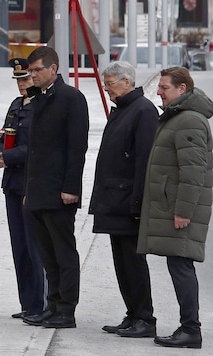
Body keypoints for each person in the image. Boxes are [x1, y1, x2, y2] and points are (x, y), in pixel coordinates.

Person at [138, 67, 213, 349]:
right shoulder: (177, 117)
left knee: (182, 266)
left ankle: (191, 329)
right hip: (173, 205)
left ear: (182, 89)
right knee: (178, 264)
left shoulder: (189, 121)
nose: (159, 91)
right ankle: (188, 327)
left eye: (164, 87)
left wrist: (183, 210)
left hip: (180, 209)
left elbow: (194, 172)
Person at [21, 46, 89, 329]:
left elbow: (77, 147)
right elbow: (35, 150)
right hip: (37, 190)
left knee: (63, 252)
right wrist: (28, 190)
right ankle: (53, 305)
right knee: (47, 253)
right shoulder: (39, 99)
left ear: (53, 69)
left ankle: (66, 309)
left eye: (37, 70)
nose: (32, 75)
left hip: (60, 191)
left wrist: (71, 187)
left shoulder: (71, 98)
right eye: (31, 71)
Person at [88, 61, 158, 338]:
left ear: (127, 82)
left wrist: (139, 203)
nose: (106, 89)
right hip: (115, 200)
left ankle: (145, 318)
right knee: (122, 261)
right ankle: (132, 314)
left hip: (128, 202)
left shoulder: (143, 111)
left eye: (110, 84)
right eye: (105, 84)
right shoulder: (124, 110)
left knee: (133, 261)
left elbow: (144, 162)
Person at [0, 58, 45, 320]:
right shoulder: (16, 105)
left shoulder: (41, 106)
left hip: (30, 183)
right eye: (19, 81)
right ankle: (27, 303)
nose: (23, 85)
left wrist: (8, 157)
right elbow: (3, 136)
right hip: (12, 183)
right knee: (20, 246)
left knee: (35, 246)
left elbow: (38, 146)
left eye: (26, 79)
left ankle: (40, 305)